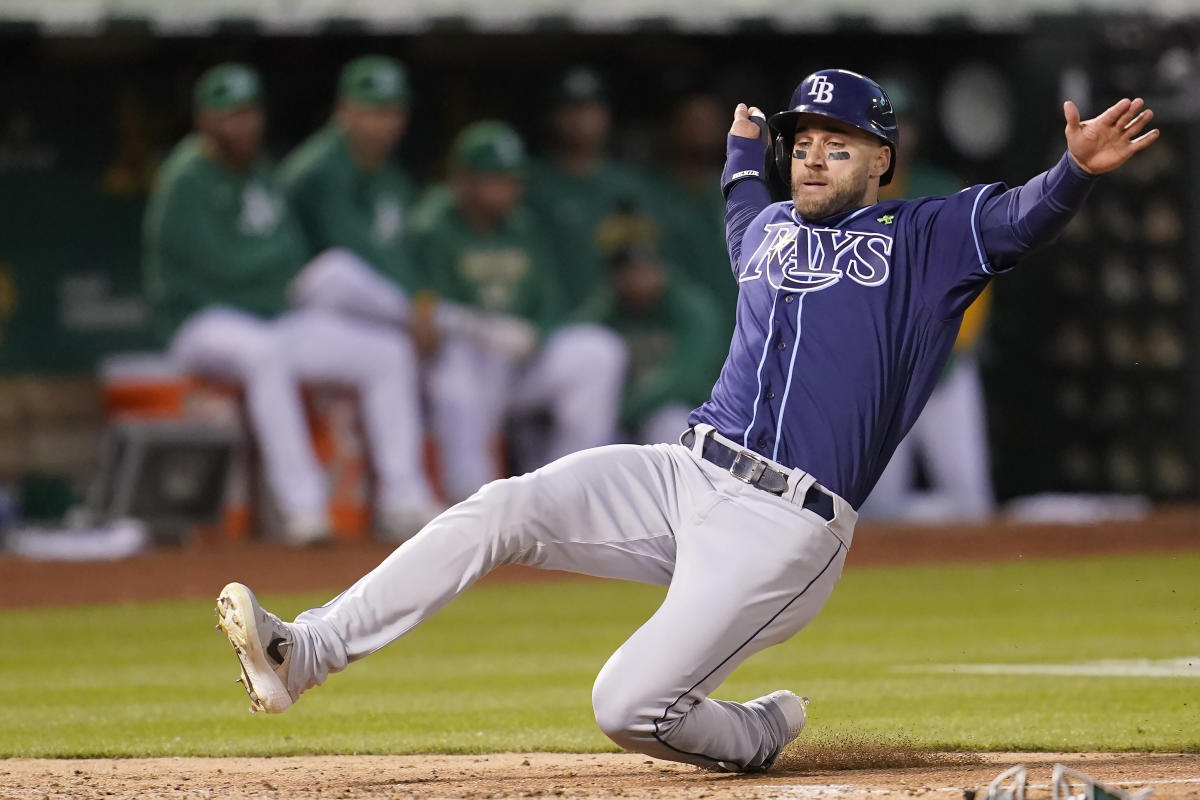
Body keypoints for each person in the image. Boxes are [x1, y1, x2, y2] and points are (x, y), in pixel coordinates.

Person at [215, 69, 1157, 771]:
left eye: (840, 141)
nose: (816, 154)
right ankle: (307, 652)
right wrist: (746, 150)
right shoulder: (766, 227)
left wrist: (1072, 172)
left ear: (884, 160)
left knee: (624, 706)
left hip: (787, 528)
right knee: (501, 507)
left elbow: (1025, 217)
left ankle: (753, 734)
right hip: (685, 471)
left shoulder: (925, 239)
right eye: (804, 141)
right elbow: (741, 192)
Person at [143, 63, 441, 545]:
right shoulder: (186, 178)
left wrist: (280, 280)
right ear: (204, 121)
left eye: (249, 114)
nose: (242, 125)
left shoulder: (262, 173)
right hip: (202, 321)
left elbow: (292, 254)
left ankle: (403, 501)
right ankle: (302, 510)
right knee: (266, 352)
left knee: (387, 352)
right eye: (229, 115)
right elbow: (222, 269)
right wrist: (277, 278)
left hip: (267, 317)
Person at [405, 120, 627, 502]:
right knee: (457, 371)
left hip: (518, 358)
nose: (506, 190)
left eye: (510, 180)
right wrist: (485, 329)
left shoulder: (524, 226)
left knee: (597, 351)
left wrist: (536, 333)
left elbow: (551, 302)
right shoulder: (431, 226)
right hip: (461, 361)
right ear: (464, 179)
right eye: (494, 179)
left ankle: (567, 495)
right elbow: (426, 304)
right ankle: (471, 502)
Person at [861, 75, 994, 522]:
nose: (894, 136)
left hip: (944, 367)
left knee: (970, 497)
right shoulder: (839, 196)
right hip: (874, 376)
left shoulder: (942, 189)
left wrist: (947, 346)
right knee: (876, 507)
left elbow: (976, 275)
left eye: (902, 125)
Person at [575, 211, 727, 445]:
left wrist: (625, 411)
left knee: (673, 426)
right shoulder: (608, 307)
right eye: (630, 272)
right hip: (616, 416)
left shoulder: (692, 310)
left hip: (673, 409)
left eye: (647, 269)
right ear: (616, 278)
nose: (640, 279)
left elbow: (683, 380)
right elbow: (577, 337)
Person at [524, 67, 652, 313]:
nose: (581, 118)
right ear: (552, 116)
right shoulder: (532, 183)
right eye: (570, 109)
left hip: (615, 319)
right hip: (547, 315)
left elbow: (645, 262)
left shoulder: (626, 186)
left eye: (590, 108)